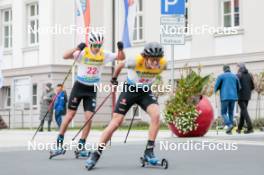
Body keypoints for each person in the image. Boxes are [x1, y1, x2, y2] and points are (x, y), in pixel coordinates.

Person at [85, 42, 167, 170]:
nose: (156, 63)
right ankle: (96, 153)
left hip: (145, 92)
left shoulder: (162, 64)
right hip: (130, 90)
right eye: (153, 60)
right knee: (116, 122)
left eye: (158, 60)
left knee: (156, 115)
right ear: (145, 57)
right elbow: (119, 66)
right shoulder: (133, 61)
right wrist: (114, 80)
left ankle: (149, 152)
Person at [50, 31, 125, 157]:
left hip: (92, 90)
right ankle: (59, 144)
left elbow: (121, 57)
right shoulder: (83, 53)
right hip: (79, 87)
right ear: (90, 44)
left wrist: (121, 49)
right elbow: (64, 56)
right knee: (70, 116)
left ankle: (81, 147)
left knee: (89, 118)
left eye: (99, 45)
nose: (97, 48)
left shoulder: (104, 54)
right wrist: (77, 48)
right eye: (95, 45)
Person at [214, 65, 240, 134]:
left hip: (225, 97)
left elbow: (216, 86)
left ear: (224, 69)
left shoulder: (221, 76)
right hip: (233, 97)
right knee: (231, 113)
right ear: (229, 69)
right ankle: (229, 131)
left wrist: (215, 91)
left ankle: (229, 125)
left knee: (223, 113)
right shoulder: (235, 76)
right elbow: (239, 87)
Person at [236, 63, 254, 134]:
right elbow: (253, 86)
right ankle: (239, 128)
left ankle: (250, 128)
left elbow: (236, 85)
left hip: (241, 96)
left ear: (240, 68)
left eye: (238, 67)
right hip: (247, 96)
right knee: (243, 111)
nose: (237, 69)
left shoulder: (239, 75)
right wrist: (247, 90)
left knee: (244, 112)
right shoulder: (249, 75)